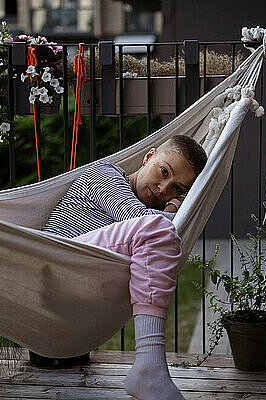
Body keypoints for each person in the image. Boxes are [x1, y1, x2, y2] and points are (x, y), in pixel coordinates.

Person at [42, 135, 207, 400]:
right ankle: (149, 368)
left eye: (177, 189)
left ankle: (149, 368)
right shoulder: (105, 174)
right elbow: (144, 221)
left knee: (157, 233)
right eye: (163, 171)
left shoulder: (143, 230)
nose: (164, 189)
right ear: (149, 156)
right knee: (158, 229)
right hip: (57, 263)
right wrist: (177, 206)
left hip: (83, 279)